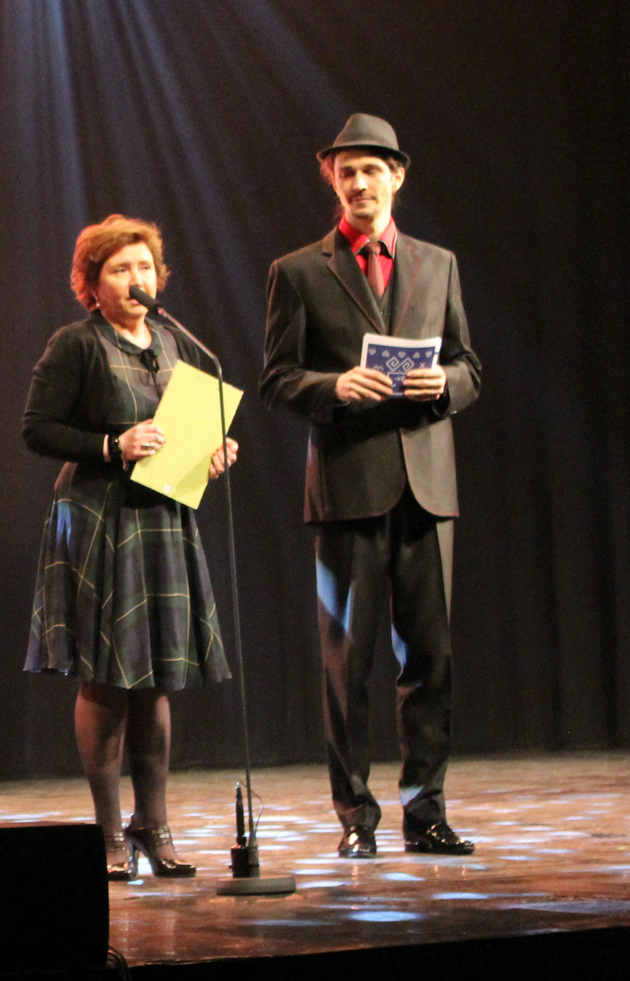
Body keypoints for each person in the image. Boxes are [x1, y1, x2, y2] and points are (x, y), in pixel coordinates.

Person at [260, 114, 481, 858]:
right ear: (332, 178)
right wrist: (333, 386)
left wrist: (443, 383)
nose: (359, 183)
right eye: (347, 171)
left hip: (426, 487)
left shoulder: (437, 264)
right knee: (347, 664)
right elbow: (277, 379)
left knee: (431, 659)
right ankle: (356, 817)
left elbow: (470, 367)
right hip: (349, 487)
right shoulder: (299, 271)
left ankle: (427, 812)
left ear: (397, 176)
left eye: (372, 170)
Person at [23, 215, 236, 880]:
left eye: (144, 267)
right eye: (120, 269)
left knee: (158, 676)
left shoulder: (171, 341)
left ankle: (155, 824)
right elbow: (37, 429)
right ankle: (109, 832)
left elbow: (182, 427)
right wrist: (111, 445)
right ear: (92, 284)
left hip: (163, 514)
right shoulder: (76, 344)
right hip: (100, 516)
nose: (135, 278)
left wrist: (211, 450)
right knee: (110, 675)